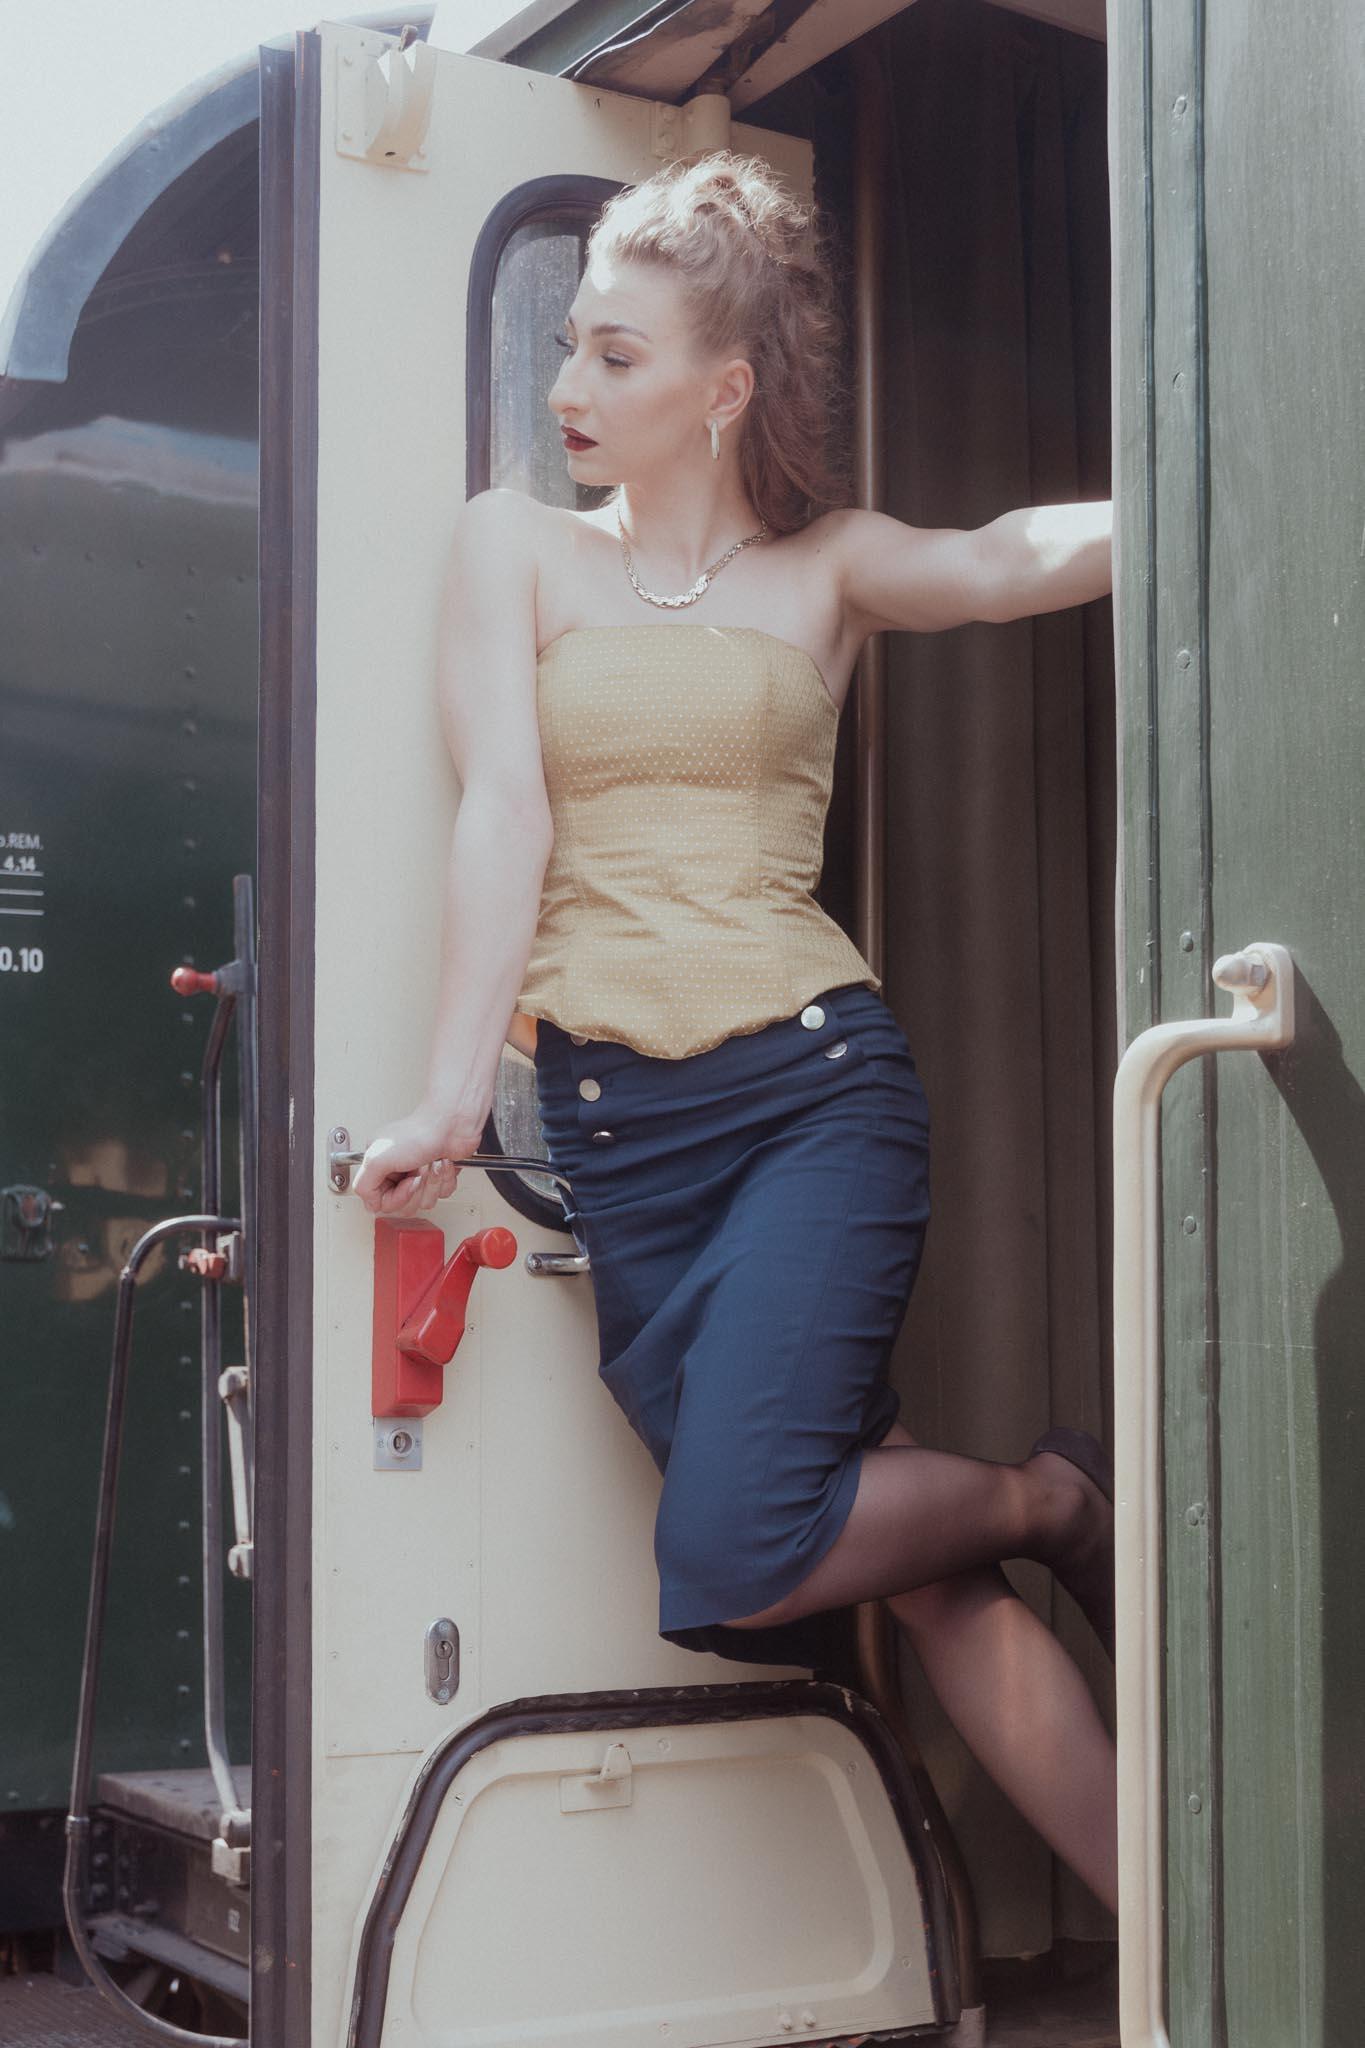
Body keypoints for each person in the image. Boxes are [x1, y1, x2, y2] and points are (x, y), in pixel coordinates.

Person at [352, 151, 1118, 1912]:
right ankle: (1176, 1947)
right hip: (627, 1141)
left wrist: (1227, 475)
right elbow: (503, 819)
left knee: (740, 1549)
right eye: (569, 345)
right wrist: (453, 1101)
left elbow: (1001, 560)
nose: (568, 385)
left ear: (723, 387)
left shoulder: (824, 570)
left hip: (809, 1098)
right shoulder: (513, 549)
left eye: (615, 355)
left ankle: (1048, 1498)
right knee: (911, 1570)